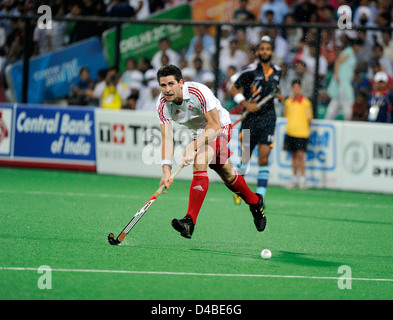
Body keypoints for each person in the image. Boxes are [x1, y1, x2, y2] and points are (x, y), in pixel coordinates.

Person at [156, 64, 266, 239]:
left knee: (200, 160)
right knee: (227, 173)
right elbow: (167, 138)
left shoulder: (198, 92)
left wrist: (192, 146)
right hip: (200, 133)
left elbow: (214, 126)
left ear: (181, 83)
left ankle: (189, 221)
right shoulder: (162, 105)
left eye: (171, 84)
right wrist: (166, 171)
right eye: (163, 85)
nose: (167, 90)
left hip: (219, 126)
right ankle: (255, 201)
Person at [229, 36, 284, 203]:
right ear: (258, 52)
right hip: (249, 120)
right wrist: (245, 103)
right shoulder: (250, 71)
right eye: (262, 49)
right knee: (245, 158)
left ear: (271, 52)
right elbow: (233, 89)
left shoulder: (277, 71)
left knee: (264, 157)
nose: (265, 51)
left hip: (268, 119)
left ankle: (260, 197)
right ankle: (239, 190)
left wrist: (279, 95)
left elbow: (275, 89)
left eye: (268, 49)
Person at [283, 79, 313, 188]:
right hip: (291, 132)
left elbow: (309, 119)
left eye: (298, 87)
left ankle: (303, 179)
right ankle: (294, 179)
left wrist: (305, 129)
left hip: (302, 133)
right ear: (292, 89)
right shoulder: (288, 102)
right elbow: (286, 115)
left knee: (300, 155)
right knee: (293, 156)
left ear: (300, 89)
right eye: (294, 87)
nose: (296, 90)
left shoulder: (306, 103)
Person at [325, 38, 364, 121]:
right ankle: (348, 122)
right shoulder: (348, 51)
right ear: (356, 46)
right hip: (342, 82)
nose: (360, 49)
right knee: (348, 101)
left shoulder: (352, 53)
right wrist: (336, 75)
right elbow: (338, 61)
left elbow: (347, 68)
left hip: (344, 82)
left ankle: (327, 121)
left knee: (335, 102)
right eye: (359, 47)